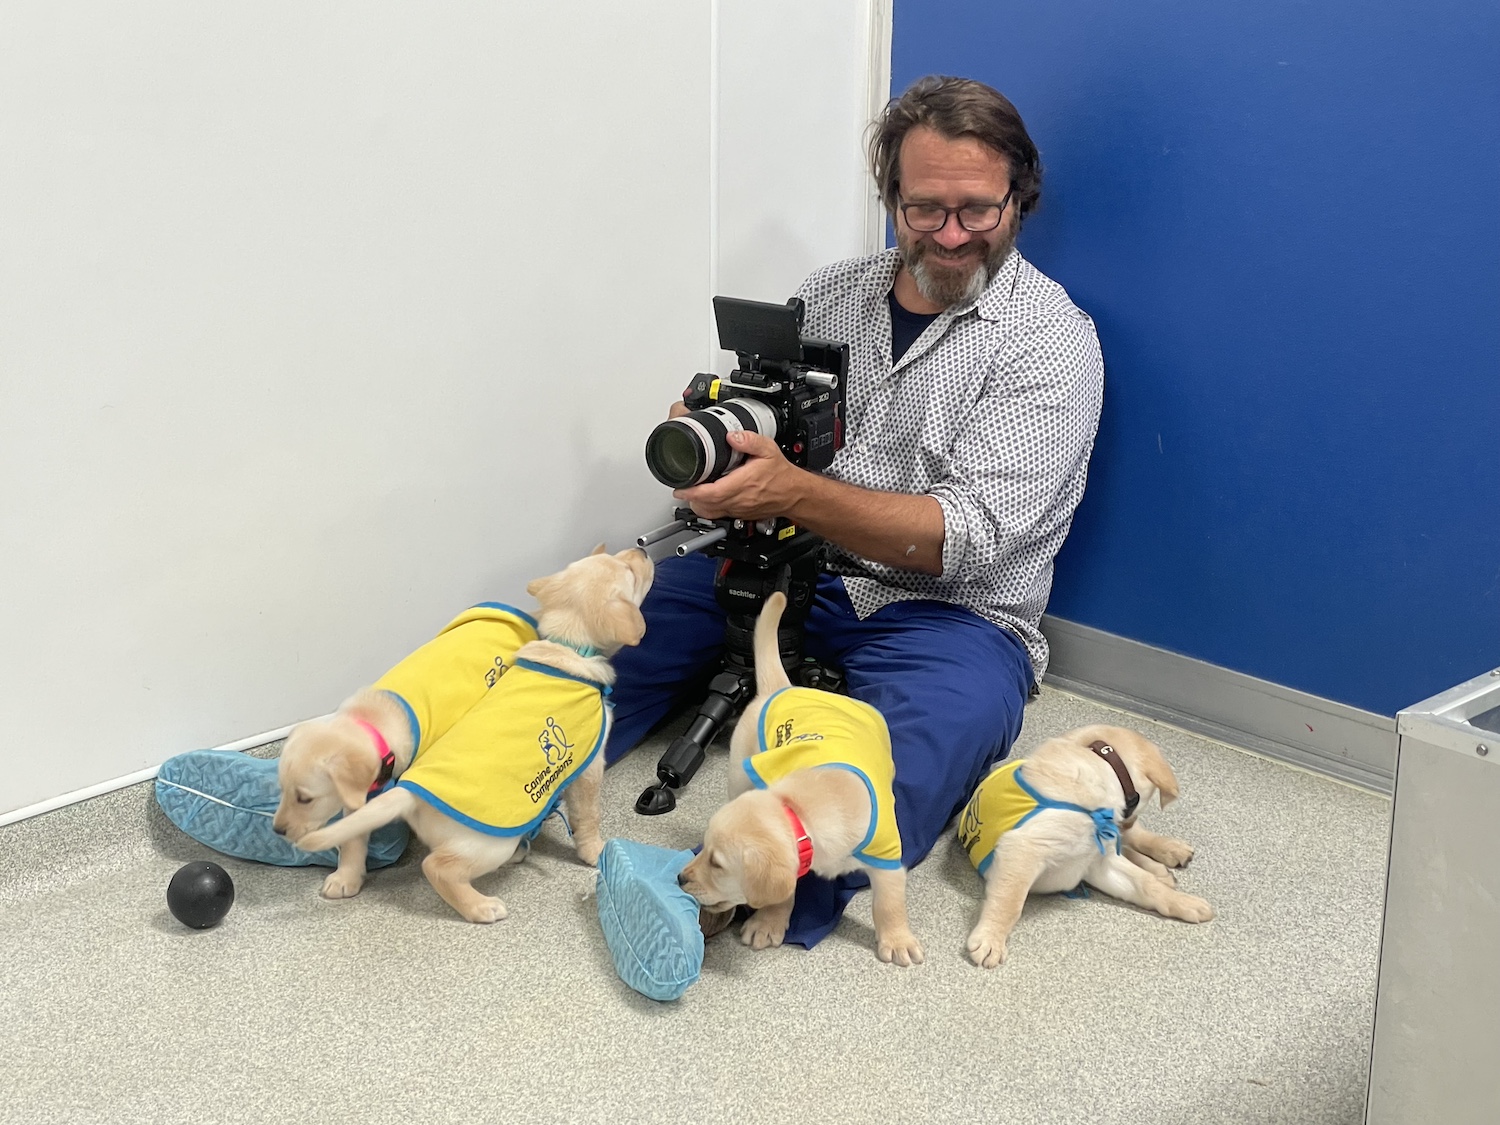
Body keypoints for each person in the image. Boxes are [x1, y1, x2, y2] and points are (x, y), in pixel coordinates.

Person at [605, 75, 1106, 947]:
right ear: (890, 199)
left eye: (977, 211)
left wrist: (794, 491)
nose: (951, 235)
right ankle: (422, 783)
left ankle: (710, 903)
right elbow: (774, 419)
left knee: (887, 777)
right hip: (789, 561)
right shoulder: (830, 292)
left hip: (954, 617)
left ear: (1018, 198)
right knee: (590, 637)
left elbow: (966, 536)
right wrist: (719, 445)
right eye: (924, 210)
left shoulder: (1051, 339)